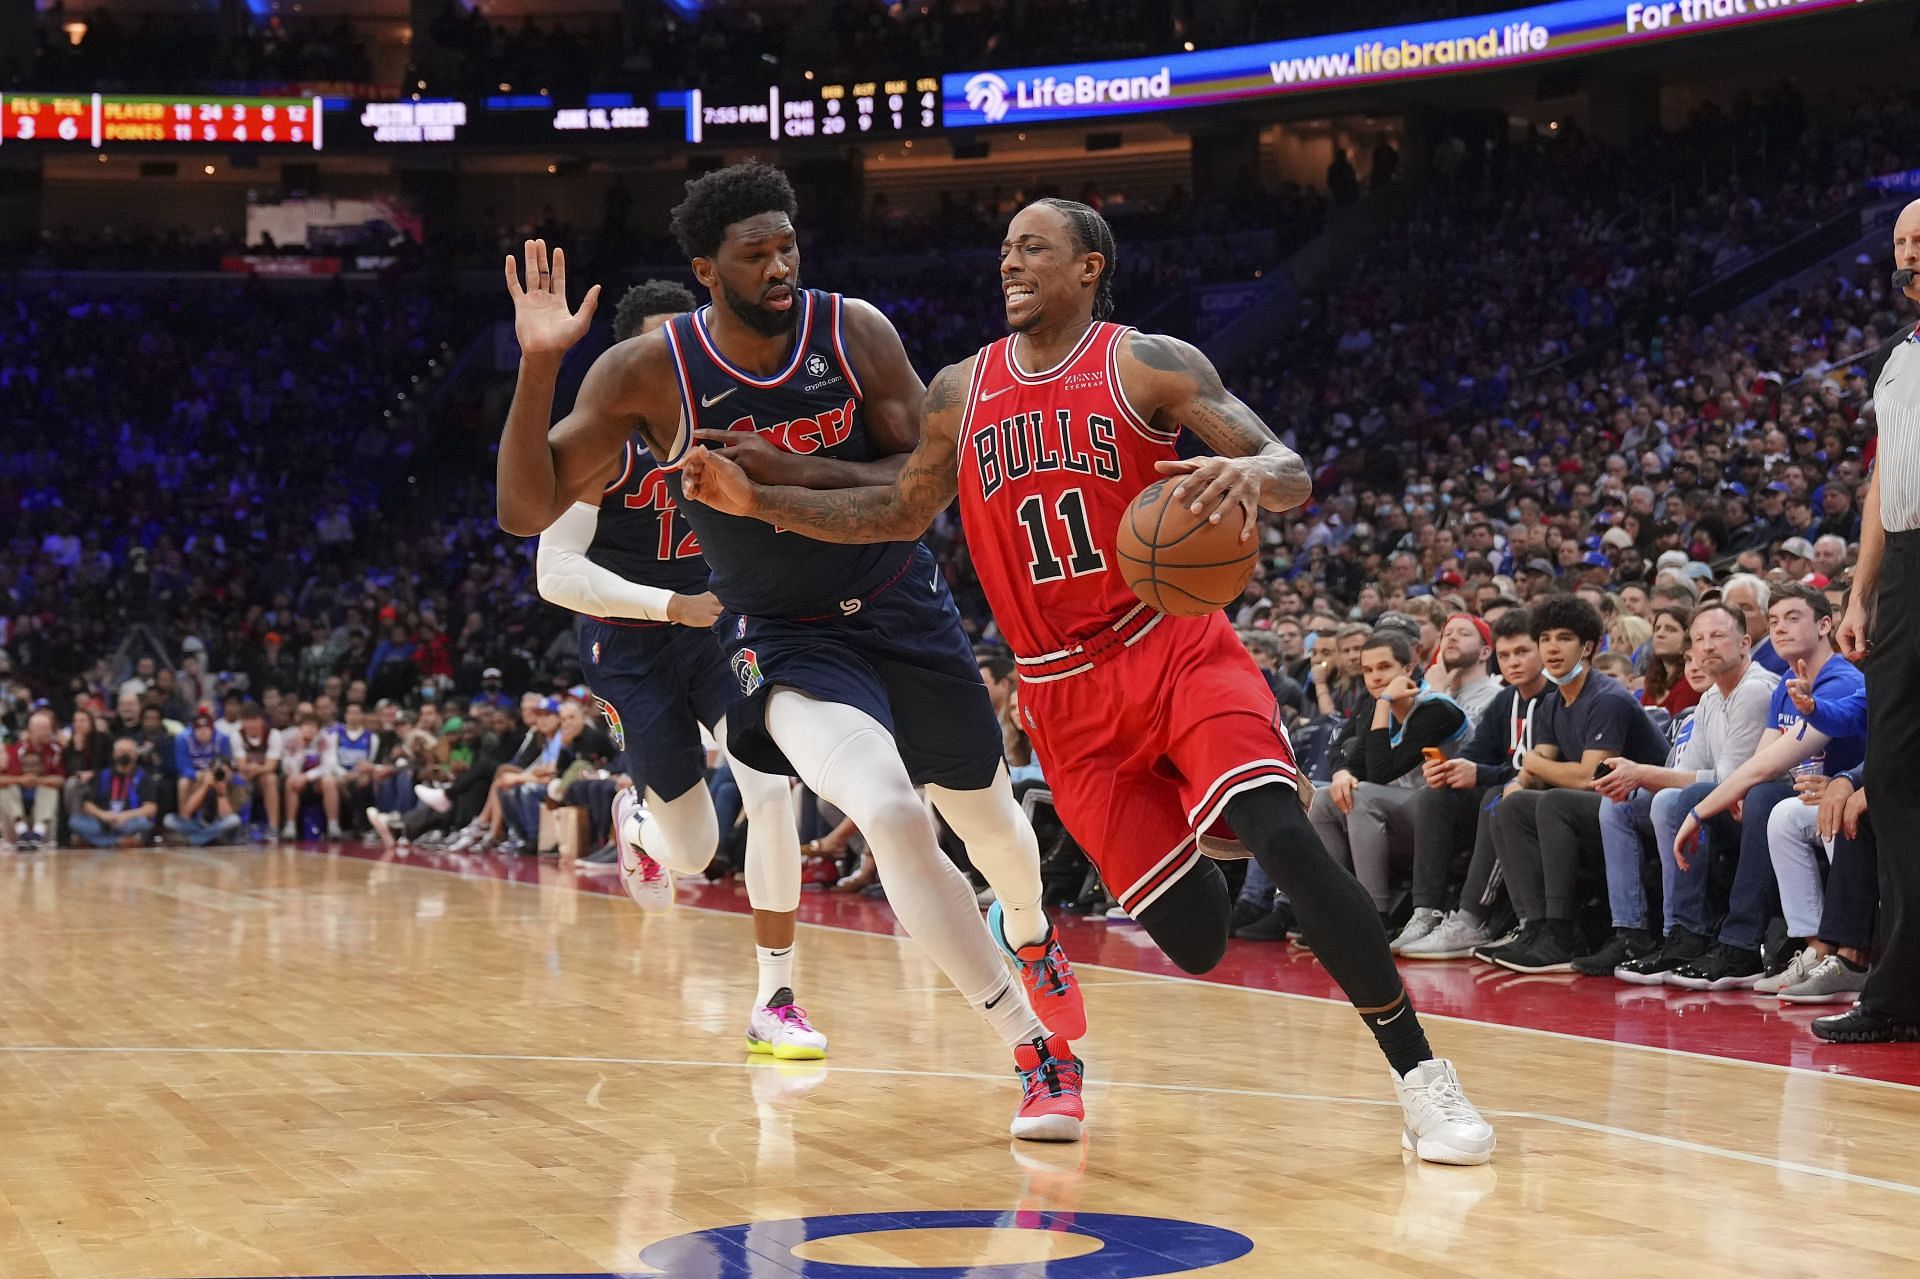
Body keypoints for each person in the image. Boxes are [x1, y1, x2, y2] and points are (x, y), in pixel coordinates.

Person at [683, 196, 1495, 1164]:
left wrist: (1254, 478)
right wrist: (766, 492)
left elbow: (1287, 463)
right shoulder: (960, 391)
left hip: (1173, 643)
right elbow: (896, 509)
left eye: (1034, 247)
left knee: (1283, 831)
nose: (1011, 262)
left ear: (1088, 268)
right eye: (1005, 249)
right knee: (1196, 937)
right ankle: (1211, 822)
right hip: (1062, 696)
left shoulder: (1146, 361)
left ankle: (1421, 1077)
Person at [492, 162, 1084, 1142]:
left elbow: (918, 483)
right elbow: (524, 508)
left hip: (902, 606)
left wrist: (775, 486)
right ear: (705, 267)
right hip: (779, 638)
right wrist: (538, 366)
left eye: (788, 248)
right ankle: (1034, 1049)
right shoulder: (643, 373)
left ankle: (1028, 932)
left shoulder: (852, 331)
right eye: (754, 254)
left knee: (991, 832)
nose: (779, 268)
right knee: (889, 811)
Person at [523, 277, 822, 1057]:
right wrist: (665, 605)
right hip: (628, 641)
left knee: (771, 787)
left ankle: (776, 997)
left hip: (719, 628)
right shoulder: (603, 444)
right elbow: (554, 572)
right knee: (692, 851)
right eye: (658, 348)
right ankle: (639, 820)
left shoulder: (728, 425)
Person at [1667, 583, 1866, 990]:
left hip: (1845, 798)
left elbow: (1767, 767)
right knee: (1758, 798)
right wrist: (1723, 797)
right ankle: (1811, 947)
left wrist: (1701, 812)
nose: (1780, 629)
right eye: (1773, 621)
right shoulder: (1784, 686)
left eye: (1793, 618)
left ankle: (1746, 942)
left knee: (1762, 797)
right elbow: (1759, 762)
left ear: (1826, 624)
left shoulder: (1840, 680)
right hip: (1803, 798)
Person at [1826, 197, 1920, 1040]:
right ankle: (1899, 990)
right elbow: (1884, 487)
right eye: (1899, 241)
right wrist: (1861, 593)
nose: (1909, 252)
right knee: (1890, 776)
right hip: (1906, 581)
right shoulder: (1897, 360)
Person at [1477, 595, 1670, 973]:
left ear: (1588, 647)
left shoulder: (1607, 697)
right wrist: (1520, 780)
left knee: (1555, 803)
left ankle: (1562, 933)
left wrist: (1531, 763)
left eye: (1563, 638)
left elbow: (1588, 776)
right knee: (1511, 802)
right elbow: (1539, 766)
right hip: (1602, 807)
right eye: (1544, 638)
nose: (1551, 647)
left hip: (1644, 807)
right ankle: (1534, 926)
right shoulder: (1553, 702)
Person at [1586, 603, 1776, 980]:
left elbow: (1726, 781)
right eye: (1700, 639)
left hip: (1752, 810)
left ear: (1745, 643)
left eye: (1718, 637)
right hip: (1722, 803)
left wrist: (1641, 772)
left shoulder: (1755, 690)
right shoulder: (1709, 698)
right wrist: (1638, 778)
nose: (1706, 647)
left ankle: (1687, 931)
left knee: (1674, 800)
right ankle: (1632, 932)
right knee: (1619, 807)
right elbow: (1690, 771)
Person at [1396, 610, 1548, 958]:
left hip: (1539, 799)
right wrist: (1451, 769)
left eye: (1522, 652)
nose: (1512, 662)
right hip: (1506, 791)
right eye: (1506, 655)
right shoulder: (1505, 701)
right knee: (1436, 795)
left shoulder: (1554, 698)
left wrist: (1480, 773)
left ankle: (1471, 918)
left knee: (1498, 798)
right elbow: (1479, 755)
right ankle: (1426, 912)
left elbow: (1542, 770)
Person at [1310, 628, 1468, 919]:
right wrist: (1342, 773)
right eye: (1368, 670)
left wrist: (1382, 704)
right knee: (1322, 800)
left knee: (1362, 796)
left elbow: (1380, 773)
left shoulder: (1437, 710)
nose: (1375, 677)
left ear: (1408, 668)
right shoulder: (1379, 707)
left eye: (1384, 667)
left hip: (1447, 816)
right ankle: (1335, 910)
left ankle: (1373, 915)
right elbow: (1356, 760)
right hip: (1401, 812)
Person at [166, 708, 242, 846]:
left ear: (212, 729)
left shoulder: (223, 739)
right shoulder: (183, 738)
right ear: (193, 730)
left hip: (220, 819)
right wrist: (204, 781)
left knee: (233, 821)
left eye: (206, 728)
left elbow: (227, 816)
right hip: (197, 788)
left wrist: (221, 792)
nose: (203, 732)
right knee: (169, 819)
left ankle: (194, 839)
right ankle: (209, 836)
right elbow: (187, 811)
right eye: (199, 729)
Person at [68, 738, 160, 848]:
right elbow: (87, 805)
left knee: (143, 823)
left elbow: (151, 808)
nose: (124, 755)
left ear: (136, 755)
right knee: (74, 821)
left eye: (128, 752)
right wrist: (103, 815)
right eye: (121, 751)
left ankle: (99, 841)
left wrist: (126, 815)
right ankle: (117, 842)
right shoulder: (103, 775)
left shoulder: (143, 776)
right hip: (103, 822)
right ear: (114, 754)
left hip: (128, 822)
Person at [0, 708, 64, 850]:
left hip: (41, 810)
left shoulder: (55, 750)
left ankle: (38, 832)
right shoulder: (16, 750)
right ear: (31, 731)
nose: (47, 732)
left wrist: (38, 780)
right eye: (43, 729)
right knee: (6, 789)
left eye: (49, 728)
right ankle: (21, 830)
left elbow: (61, 780)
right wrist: (21, 780)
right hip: (18, 811)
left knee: (49, 788)